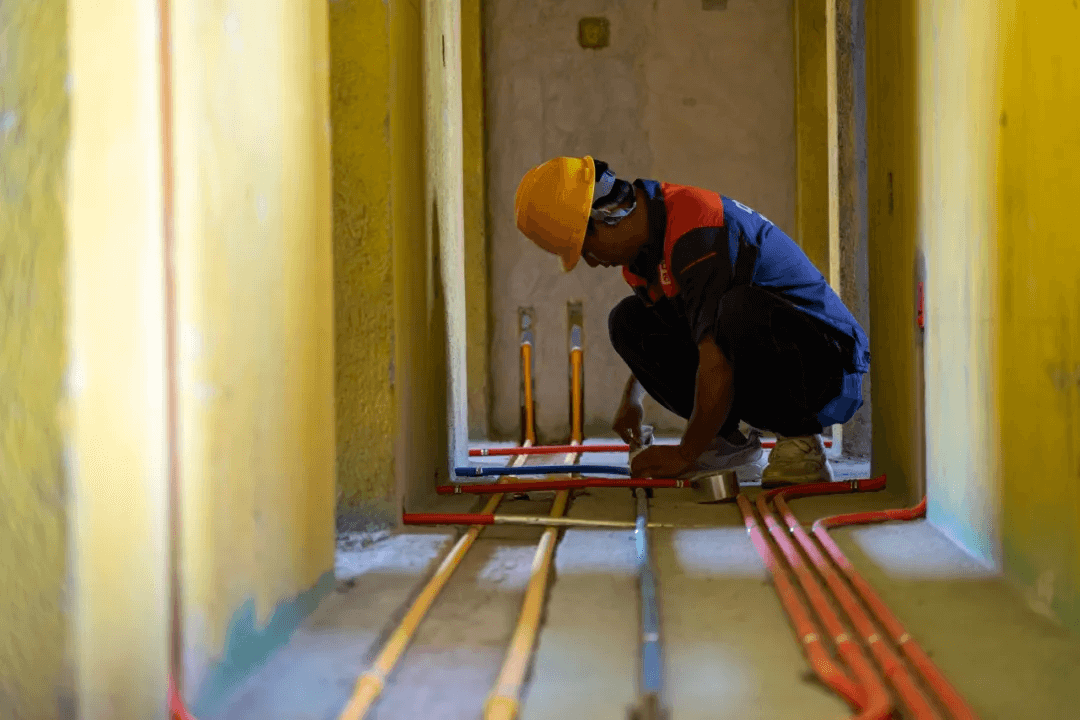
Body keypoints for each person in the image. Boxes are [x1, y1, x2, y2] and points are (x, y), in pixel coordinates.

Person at [513, 156, 870, 486]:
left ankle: (802, 444)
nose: (592, 262)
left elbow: (716, 355)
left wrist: (685, 454)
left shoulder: (698, 231)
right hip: (767, 359)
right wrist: (632, 400)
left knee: (735, 308)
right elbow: (686, 327)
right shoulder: (644, 258)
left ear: (606, 218)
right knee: (627, 320)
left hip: (827, 374)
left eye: (586, 250)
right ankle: (727, 445)